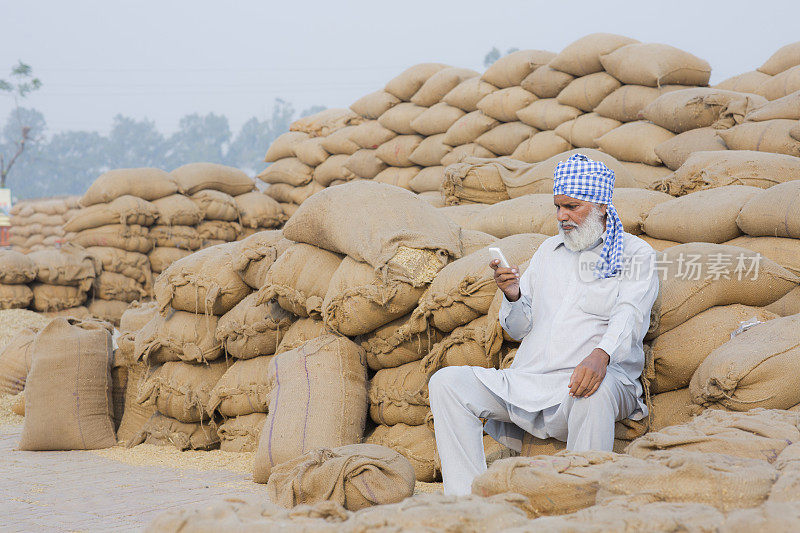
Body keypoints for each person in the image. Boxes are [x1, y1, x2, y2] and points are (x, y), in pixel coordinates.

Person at [428, 153, 659, 496]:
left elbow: (631, 313)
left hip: (593, 381)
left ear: (600, 206)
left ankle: (581, 502)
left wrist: (601, 355)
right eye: (557, 207)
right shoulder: (548, 252)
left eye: (572, 207)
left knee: (594, 392)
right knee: (447, 382)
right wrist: (512, 295)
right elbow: (519, 329)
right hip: (530, 381)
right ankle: (465, 499)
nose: (562, 216)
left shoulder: (634, 254)